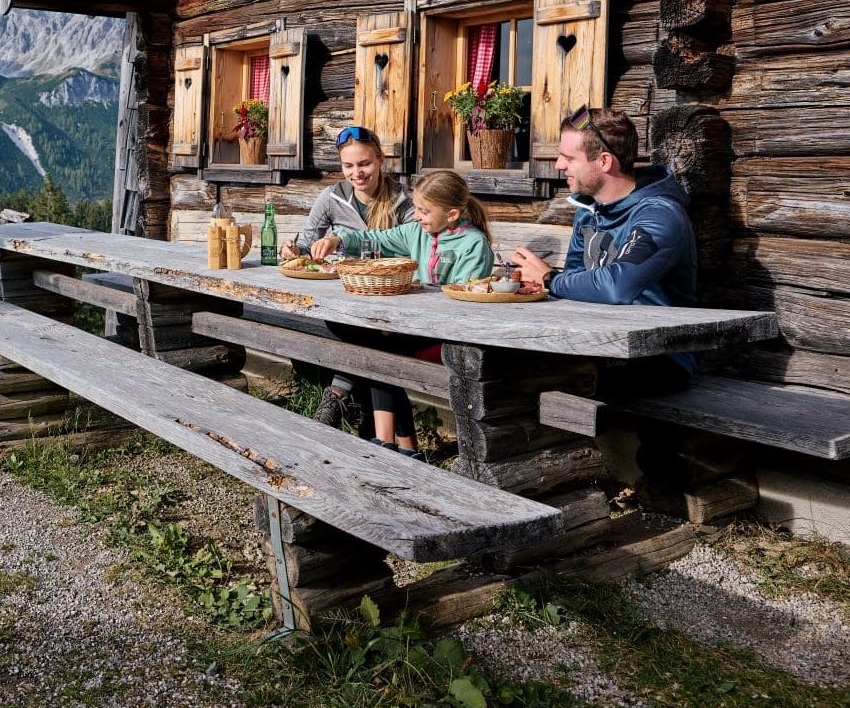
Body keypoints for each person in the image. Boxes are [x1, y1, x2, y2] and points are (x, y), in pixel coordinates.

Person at [509, 105, 698, 395]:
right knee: (501, 359)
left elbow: (618, 286)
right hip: (597, 343)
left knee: (523, 380)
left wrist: (549, 279)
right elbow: (573, 278)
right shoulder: (589, 210)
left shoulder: (659, 214)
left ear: (605, 161)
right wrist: (537, 284)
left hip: (655, 357)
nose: (558, 165)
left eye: (568, 158)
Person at [312, 169, 494, 456]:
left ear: (452, 214)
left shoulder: (473, 244)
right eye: (418, 209)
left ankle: (390, 442)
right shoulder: (416, 233)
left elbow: (463, 300)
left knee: (380, 348)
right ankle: (397, 445)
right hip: (414, 328)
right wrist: (338, 240)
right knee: (374, 343)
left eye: (424, 211)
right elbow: (376, 237)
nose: (418, 216)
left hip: (450, 337)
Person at [282, 125, 413, 435]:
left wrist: (344, 240)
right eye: (348, 166)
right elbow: (305, 242)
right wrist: (293, 248)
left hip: (390, 299)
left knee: (376, 343)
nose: (357, 173)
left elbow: (414, 244)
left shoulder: (403, 199)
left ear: (381, 160)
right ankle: (390, 439)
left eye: (365, 164)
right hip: (342, 296)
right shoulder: (332, 197)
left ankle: (338, 395)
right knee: (372, 346)